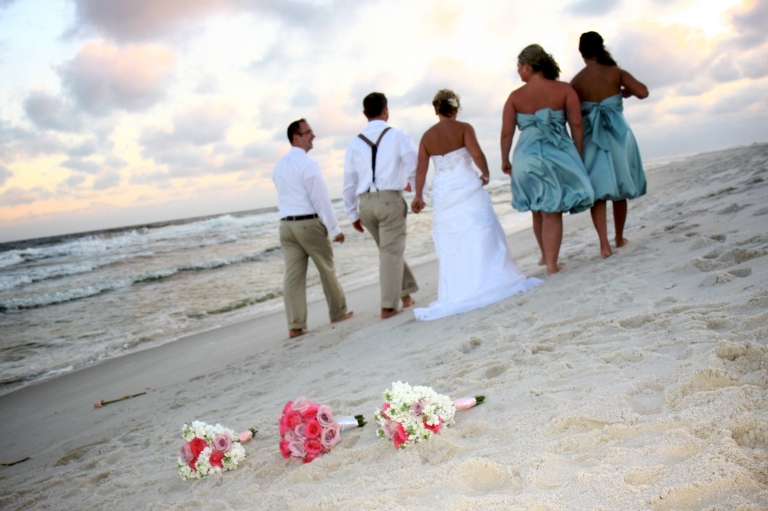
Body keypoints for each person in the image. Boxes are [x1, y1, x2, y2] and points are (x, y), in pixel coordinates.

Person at [410, 90, 542, 321]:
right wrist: (486, 172)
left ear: (436, 110)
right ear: (455, 108)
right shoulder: (464, 128)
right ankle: (486, 277)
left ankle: (461, 286)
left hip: (444, 191)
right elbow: (477, 154)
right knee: (478, 229)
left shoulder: (427, 137)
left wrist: (419, 195)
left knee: (453, 238)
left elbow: (421, 169)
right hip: (465, 184)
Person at [501, 44, 595, 274]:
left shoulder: (515, 97)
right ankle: (552, 264)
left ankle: (546, 255)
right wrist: (577, 153)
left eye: (518, 67)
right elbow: (576, 124)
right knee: (551, 210)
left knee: (537, 208)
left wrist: (505, 159)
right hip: (556, 153)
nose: (518, 72)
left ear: (528, 66)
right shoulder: (563, 89)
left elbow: (506, 133)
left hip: (526, 156)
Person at [272, 118, 353, 338]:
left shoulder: (279, 166)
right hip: (308, 223)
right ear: (296, 137)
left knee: (293, 276)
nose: (313, 136)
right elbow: (321, 200)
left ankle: (295, 325)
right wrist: (335, 229)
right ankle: (338, 313)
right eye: (308, 132)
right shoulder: (308, 165)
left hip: (286, 226)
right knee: (326, 269)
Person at [570, 31, 649, 258]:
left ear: (581, 53)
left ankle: (604, 245)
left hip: (592, 137)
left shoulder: (576, 81)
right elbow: (643, 92)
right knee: (620, 186)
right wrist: (625, 93)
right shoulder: (616, 73)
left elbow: (572, 116)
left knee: (598, 191)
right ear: (602, 47)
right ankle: (619, 237)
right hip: (618, 135)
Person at [343, 92, 419, 319]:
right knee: (390, 251)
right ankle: (388, 306)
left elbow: (349, 182)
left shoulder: (354, 143)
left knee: (389, 250)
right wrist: (413, 188)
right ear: (386, 110)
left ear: (365, 114)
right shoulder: (398, 135)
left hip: (365, 204)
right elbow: (413, 163)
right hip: (389, 201)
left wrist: (352, 214)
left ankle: (406, 294)